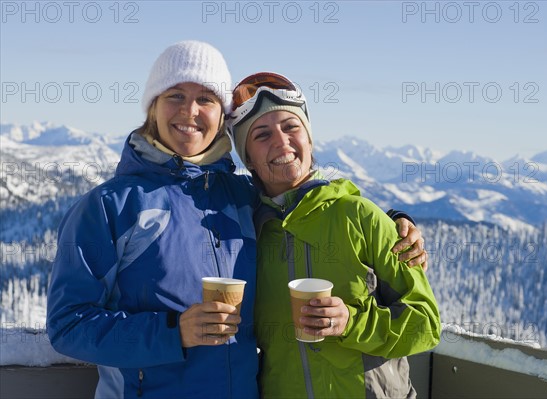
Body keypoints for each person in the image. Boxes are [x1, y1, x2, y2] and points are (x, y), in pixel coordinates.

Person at [46, 42, 427, 398]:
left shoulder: (242, 198)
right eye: (175, 95)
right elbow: (68, 324)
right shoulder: (109, 207)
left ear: (221, 116)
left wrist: (394, 220)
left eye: (206, 99)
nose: (189, 111)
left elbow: (304, 203)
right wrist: (172, 332)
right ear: (153, 107)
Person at [229, 72, 441, 398]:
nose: (281, 141)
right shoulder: (248, 235)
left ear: (310, 140)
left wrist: (351, 324)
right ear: (249, 160)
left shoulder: (362, 217)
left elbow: (426, 325)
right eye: (261, 134)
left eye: (291, 127)